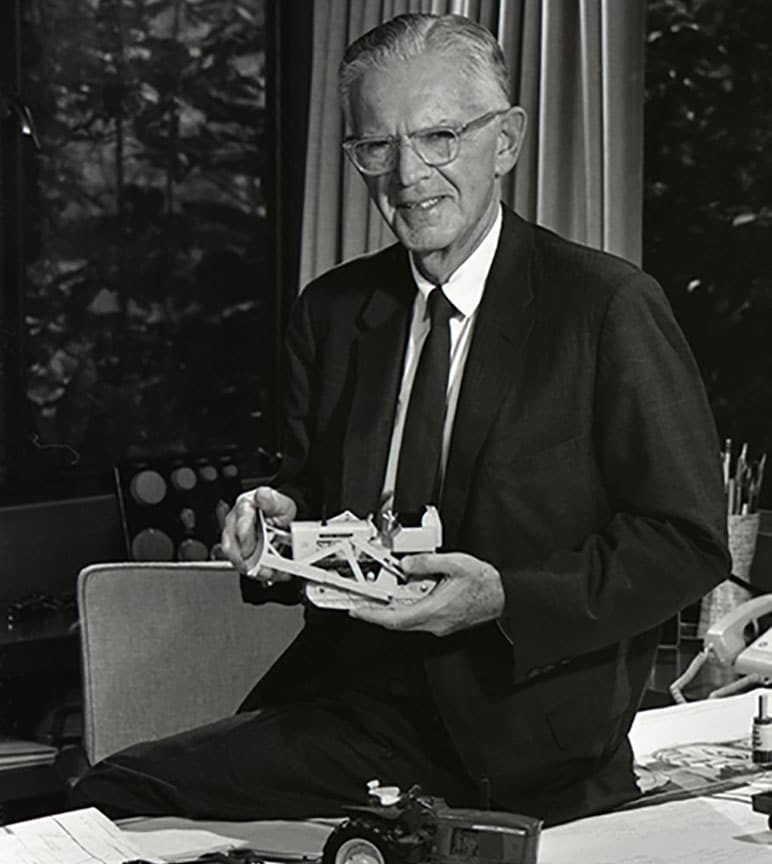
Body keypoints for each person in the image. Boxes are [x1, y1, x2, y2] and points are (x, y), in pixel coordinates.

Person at [72, 12, 729, 826]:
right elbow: (311, 493)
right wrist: (274, 529)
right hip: (356, 710)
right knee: (110, 797)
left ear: (508, 142)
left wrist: (501, 598)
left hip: (533, 736)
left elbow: (687, 540)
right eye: (376, 146)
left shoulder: (606, 308)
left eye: (440, 137)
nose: (408, 174)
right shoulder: (335, 312)